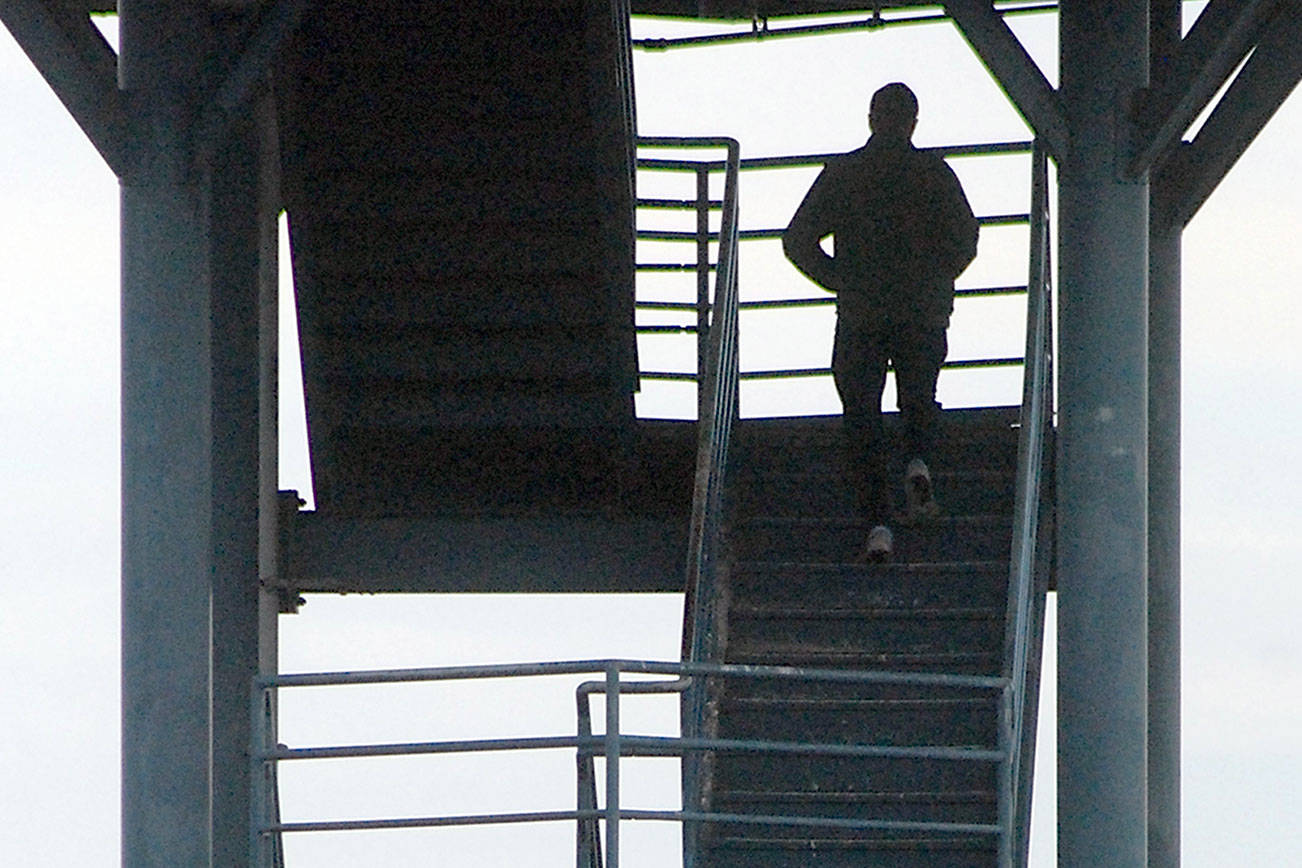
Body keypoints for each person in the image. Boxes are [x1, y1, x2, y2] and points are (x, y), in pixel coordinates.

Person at [782, 82, 978, 561]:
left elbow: (797, 239)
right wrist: (937, 280)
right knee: (918, 395)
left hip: (861, 312)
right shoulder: (934, 173)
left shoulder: (844, 173)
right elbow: (966, 237)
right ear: (914, 121)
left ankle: (878, 525)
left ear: (871, 119)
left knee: (862, 415)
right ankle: (918, 462)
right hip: (923, 311)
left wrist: (838, 279)